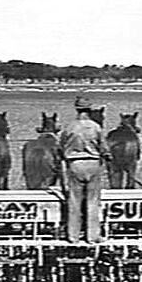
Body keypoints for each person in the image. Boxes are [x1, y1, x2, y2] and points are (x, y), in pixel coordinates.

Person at [59, 96, 112, 244]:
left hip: (75, 165)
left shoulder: (69, 127)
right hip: (93, 164)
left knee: (74, 201)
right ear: (89, 110)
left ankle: (73, 236)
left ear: (77, 109)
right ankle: (92, 236)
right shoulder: (95, 127)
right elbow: (104, 148)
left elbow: (61, 146)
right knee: (93, 201)